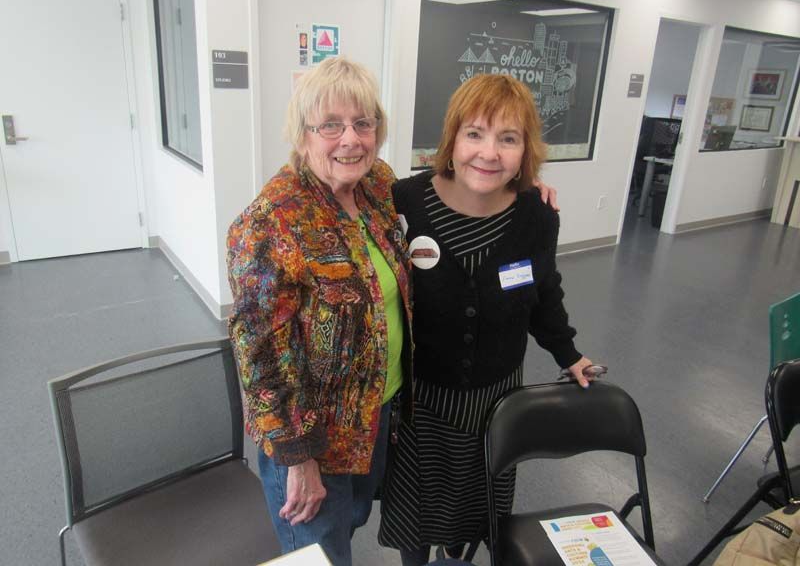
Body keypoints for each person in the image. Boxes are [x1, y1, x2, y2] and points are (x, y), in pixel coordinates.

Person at [378, 74, 596, 565]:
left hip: (494, 403)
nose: (489, 152)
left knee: (473, 520)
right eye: (474, 133)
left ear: (526, 150)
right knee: (416, 525)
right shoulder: (404, 202)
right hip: (422, 403)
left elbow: (543, 294)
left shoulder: (537, 217)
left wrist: (569, 353)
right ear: (452, 139)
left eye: (508, 138)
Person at [226, 56, 413, 566]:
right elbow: (259, 356)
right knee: (318, 555)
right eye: (330, 125)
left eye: (363, 122)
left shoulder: (378, 188)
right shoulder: (271, 222)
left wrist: (523, 190)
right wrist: (298, 458)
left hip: (375, 417)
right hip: (313, 441)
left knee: (347, 530)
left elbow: (450, 189)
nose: (350, 139)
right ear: (303, 134)